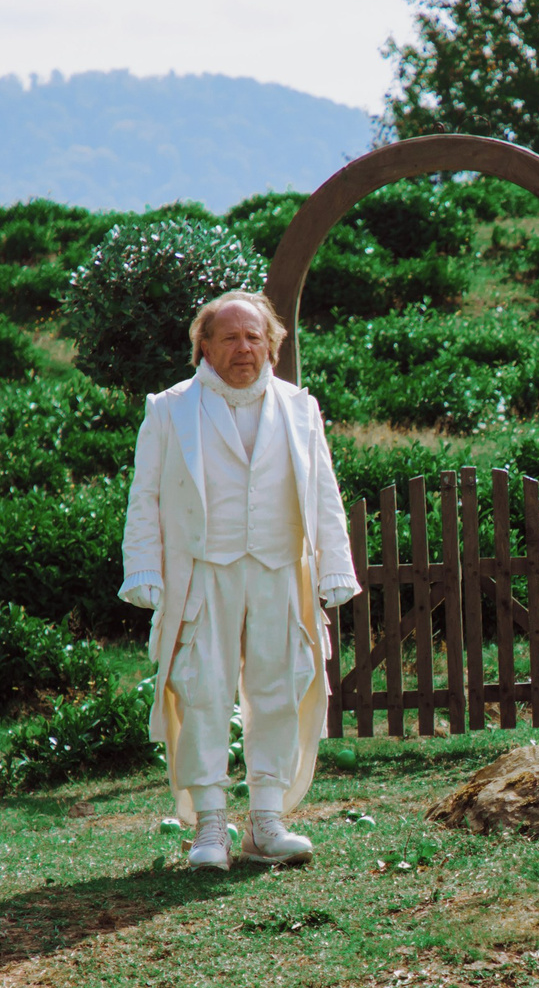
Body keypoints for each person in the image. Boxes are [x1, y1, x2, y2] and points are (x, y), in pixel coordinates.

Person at [120, 292, 359, 869]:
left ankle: (266, 823)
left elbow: (323, 491)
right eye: (229, 337)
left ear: (271, 344)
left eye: (254, 337)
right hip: (203, 573)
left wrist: (335, 566)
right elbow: (145, 495)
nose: (243, 348)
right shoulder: (170, 409)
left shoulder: (300, 407)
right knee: (202, 690)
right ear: (204, 345)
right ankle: (209, 827)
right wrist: (143, 568)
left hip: (280, 570)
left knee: (280, 687)